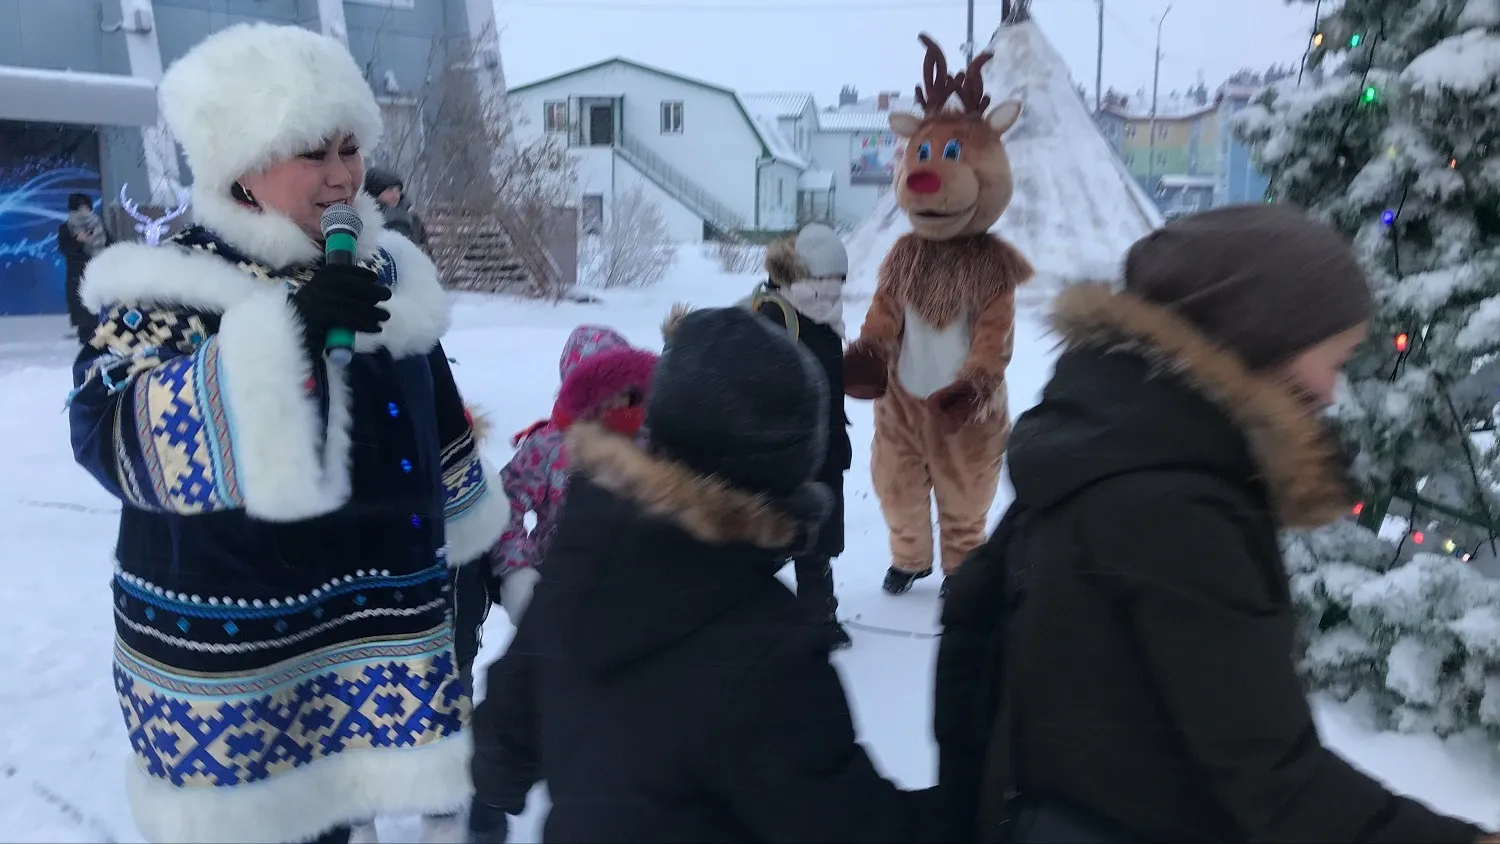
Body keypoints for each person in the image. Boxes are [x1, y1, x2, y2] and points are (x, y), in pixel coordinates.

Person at [65, 22, 505, 844]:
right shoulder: (167, 287)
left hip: (374, 644)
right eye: (313, 151)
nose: (343, 176)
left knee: (343, 818)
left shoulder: (385, 274)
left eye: (350, 147)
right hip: (240, 667)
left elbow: (438, 426)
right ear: (241, 169)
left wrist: (501, 554)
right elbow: (109, 432)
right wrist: (282, 338)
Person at [932, 204, 1495, 843]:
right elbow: (1274, 781)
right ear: (1260, 339)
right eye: (1331, 361)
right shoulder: (1178, 510)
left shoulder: (1106, 448)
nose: (1333, 392)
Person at [467, 307, 934, 843]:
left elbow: (502, 742)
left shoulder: (583, 563)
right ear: (790, 464)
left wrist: (499, 786)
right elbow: (846, 824)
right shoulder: (769, 646)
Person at [491, 324, 657, 623]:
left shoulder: (649, 442)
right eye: (598, 391)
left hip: (636, 593)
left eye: (624, 390)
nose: (614, 401)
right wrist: (519, 574)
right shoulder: (549, 446)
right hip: (559, 591)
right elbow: (503, 506)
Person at [752, 223, 853, 650]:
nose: (833, 287)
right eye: (825, 278)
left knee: (819, 536)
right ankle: (743, 609)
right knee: (773, 535)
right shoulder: (774, 314)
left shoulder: (826, 316)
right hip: (784, 449)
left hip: (825, 444)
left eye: (840, 280)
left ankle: (819, 616)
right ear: (803, 274)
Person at [58, 192, 106, 343]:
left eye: (86, 207)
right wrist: (78, 241)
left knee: (100, 309)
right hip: (78, 275)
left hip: (99, 273)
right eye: (79, 208)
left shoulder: (99, 224)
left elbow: (110, 244)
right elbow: (65, 249)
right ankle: (86, 341)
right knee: (83, 311)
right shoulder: (66, 228)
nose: (83, 211)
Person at [365, 167, 427, 245]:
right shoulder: (363, 219)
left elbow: (425, 252)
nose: (396, 196)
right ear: (375, 191)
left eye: (398, 190)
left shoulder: (413, 219)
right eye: (390, 189)